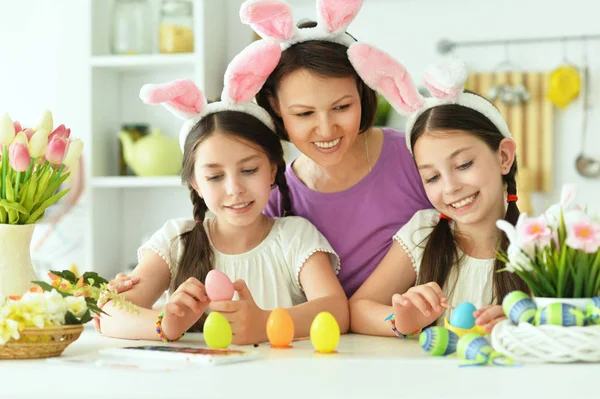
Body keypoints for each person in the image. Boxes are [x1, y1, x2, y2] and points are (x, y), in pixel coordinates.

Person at [96, 40, 348, 345]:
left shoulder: (295, 237)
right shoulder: (176, 240)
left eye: (249, 170)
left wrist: (265, 323)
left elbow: (336, 310)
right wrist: (166, 323)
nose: (234, 189)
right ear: (196, 183)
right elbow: (110, 313)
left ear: (272, 169)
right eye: (215, 176)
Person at [241, 0, 432, 298]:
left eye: (341, 107)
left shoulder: (414, 157)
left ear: (362, 88)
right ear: (276, 106)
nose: (327, 130)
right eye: (304, 114)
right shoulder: (272, 193)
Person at [346, 43, 529, 337]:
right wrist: (401, 321)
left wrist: (530, 323)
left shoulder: (541, 241)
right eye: (432, 178)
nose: (451, 188)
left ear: (504, 157)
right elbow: (358, 309)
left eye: (464, 164)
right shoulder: (423, 232)